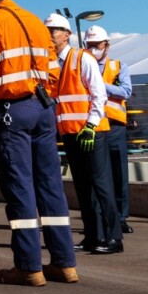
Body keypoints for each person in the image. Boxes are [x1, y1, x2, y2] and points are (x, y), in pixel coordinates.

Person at [0, 0, 77, 287]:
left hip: (10, 111)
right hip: (43, 108)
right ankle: (64, 263)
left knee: (19, 186)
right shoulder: (35, 21)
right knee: (49, 185)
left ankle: (29, 266)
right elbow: (52, 70)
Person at [46, 15, 120, 254]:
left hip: (91, 132)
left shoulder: (81, 58)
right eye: (47, 31)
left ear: (66, 34)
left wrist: (91, 125)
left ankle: (113, 238)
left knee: (102, 185)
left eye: (54, 30)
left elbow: (99, 94)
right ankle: (92, 236)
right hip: (70, 134)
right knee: (83, 187)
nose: (49, 35)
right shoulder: (52, 63)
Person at [85, 26, 134, 235]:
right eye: (90, 45)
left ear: (107, 45)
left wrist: (100, 86)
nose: (94, 48)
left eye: (97, 45)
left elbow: (126, 91)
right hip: (93, 127)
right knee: (96, 176)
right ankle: (101, 220)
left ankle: (121, 218)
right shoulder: (82, 66)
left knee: (119, 174)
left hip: (114, 127)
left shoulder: (119, 66)